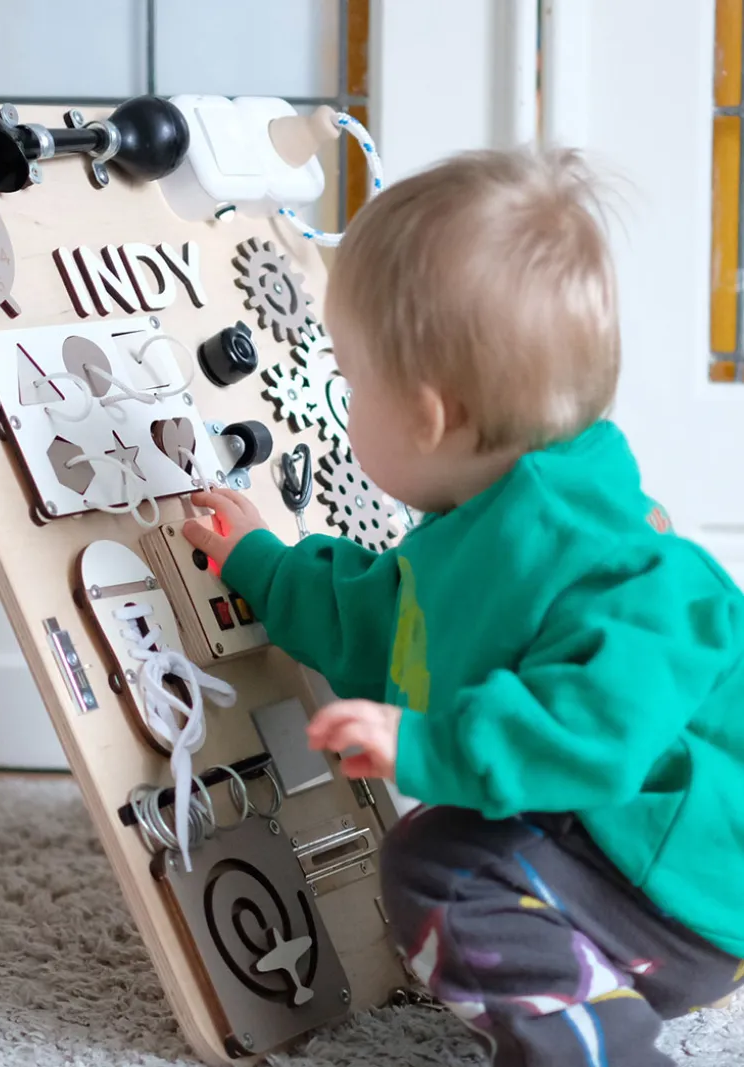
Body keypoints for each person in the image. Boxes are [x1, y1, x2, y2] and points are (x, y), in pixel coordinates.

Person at [182, 147, 744, 1066]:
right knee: (442, 845)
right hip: (632, 853)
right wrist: (263, 565)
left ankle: (602, 1046)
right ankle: (589, 975)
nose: (345, 409)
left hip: (692, 883)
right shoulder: (482, 525)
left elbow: (597, 733)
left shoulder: (619, 563)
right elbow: (382, 617)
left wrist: (426, 746)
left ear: (429, 416)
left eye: (351, 384)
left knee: (437, 867)